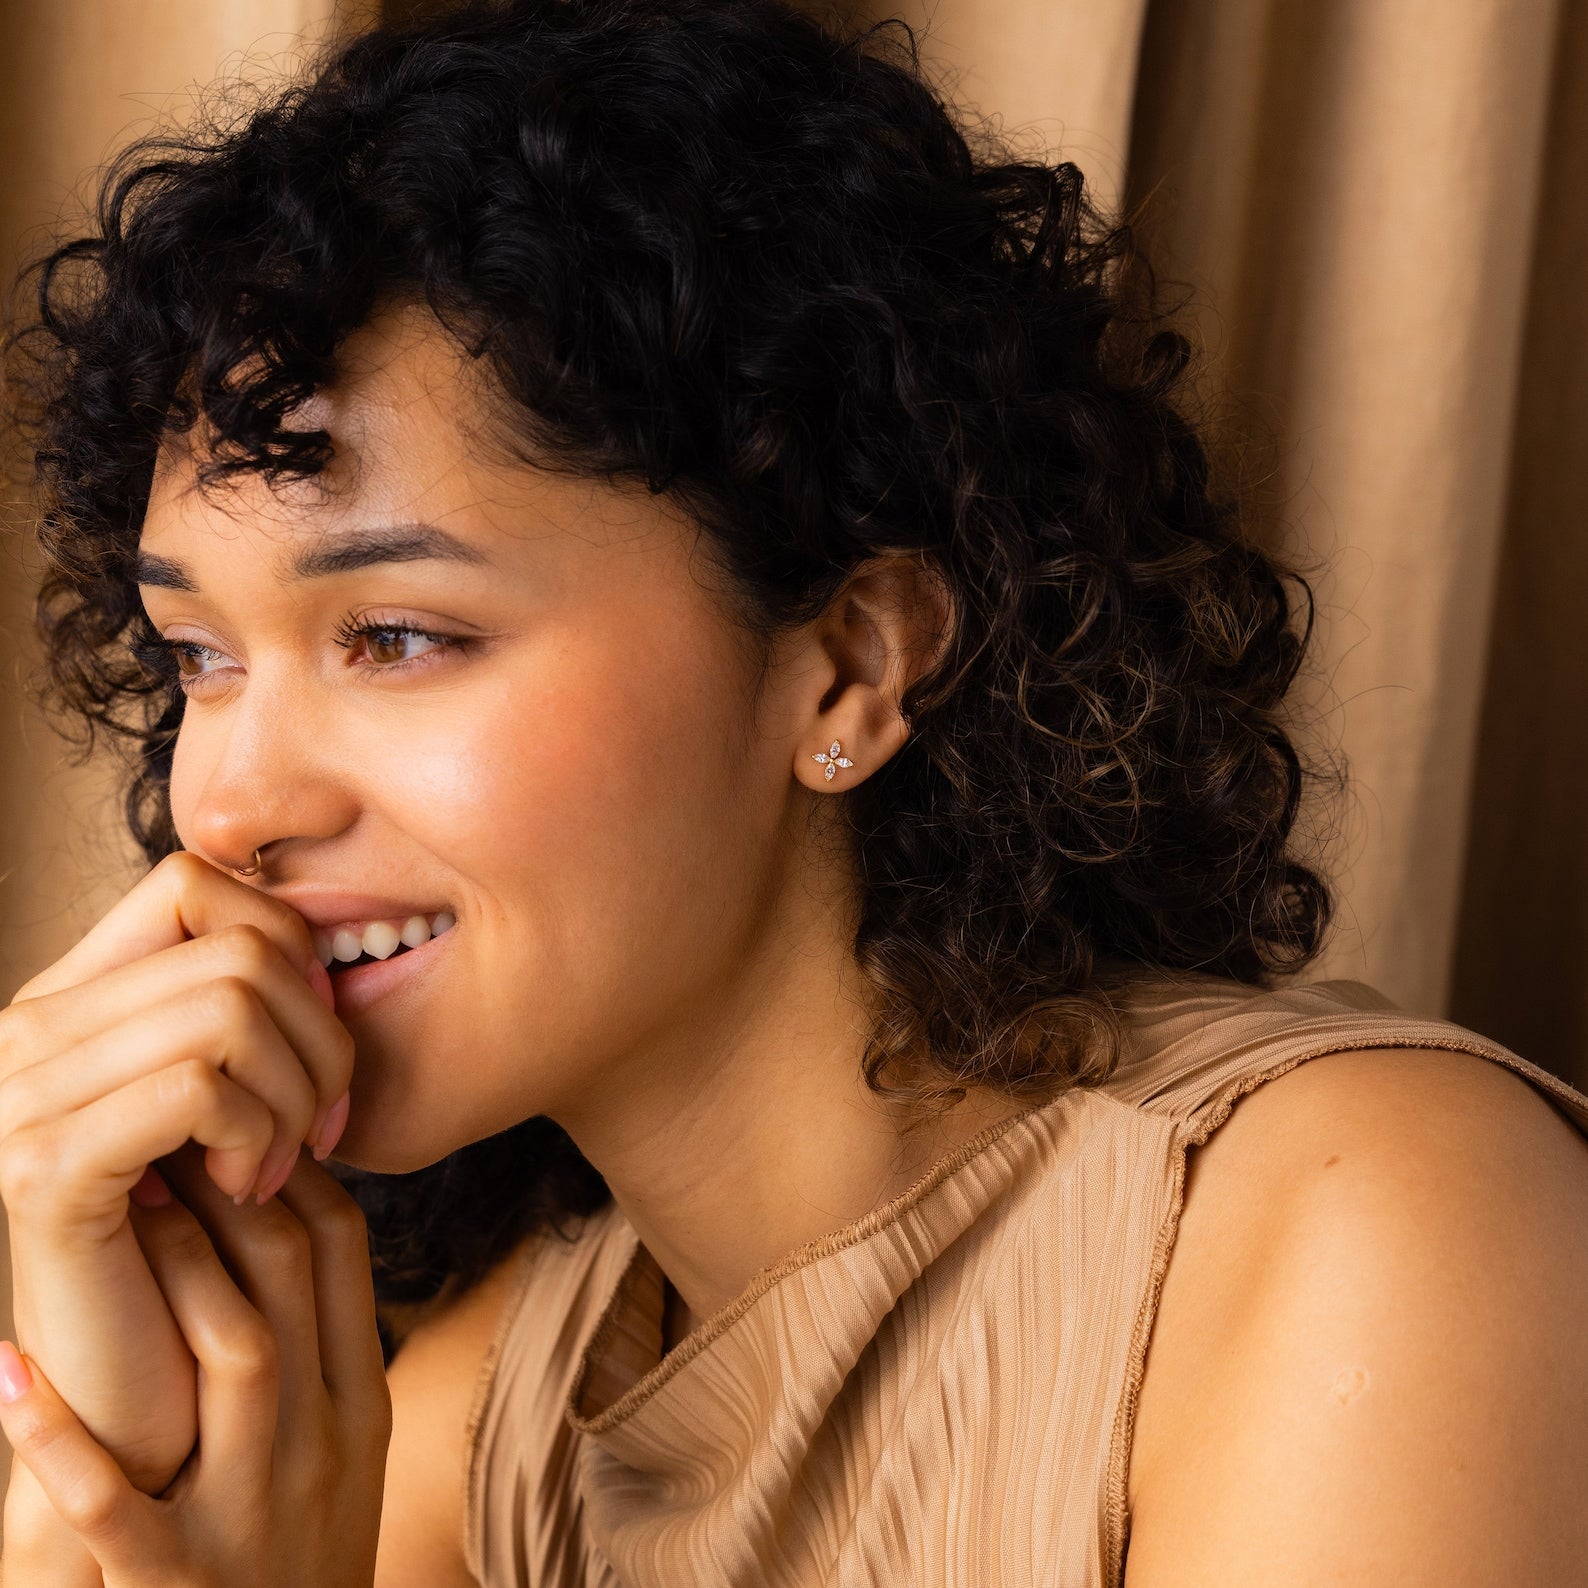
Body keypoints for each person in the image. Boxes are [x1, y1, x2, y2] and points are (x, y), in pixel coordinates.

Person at [1, 0, 1585, 1582]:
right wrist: (115, 1414)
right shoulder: (501, 1406)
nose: (226, 808)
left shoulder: (1371, 1234)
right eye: (199, 655)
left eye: (398, 635)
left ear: (848, 666)